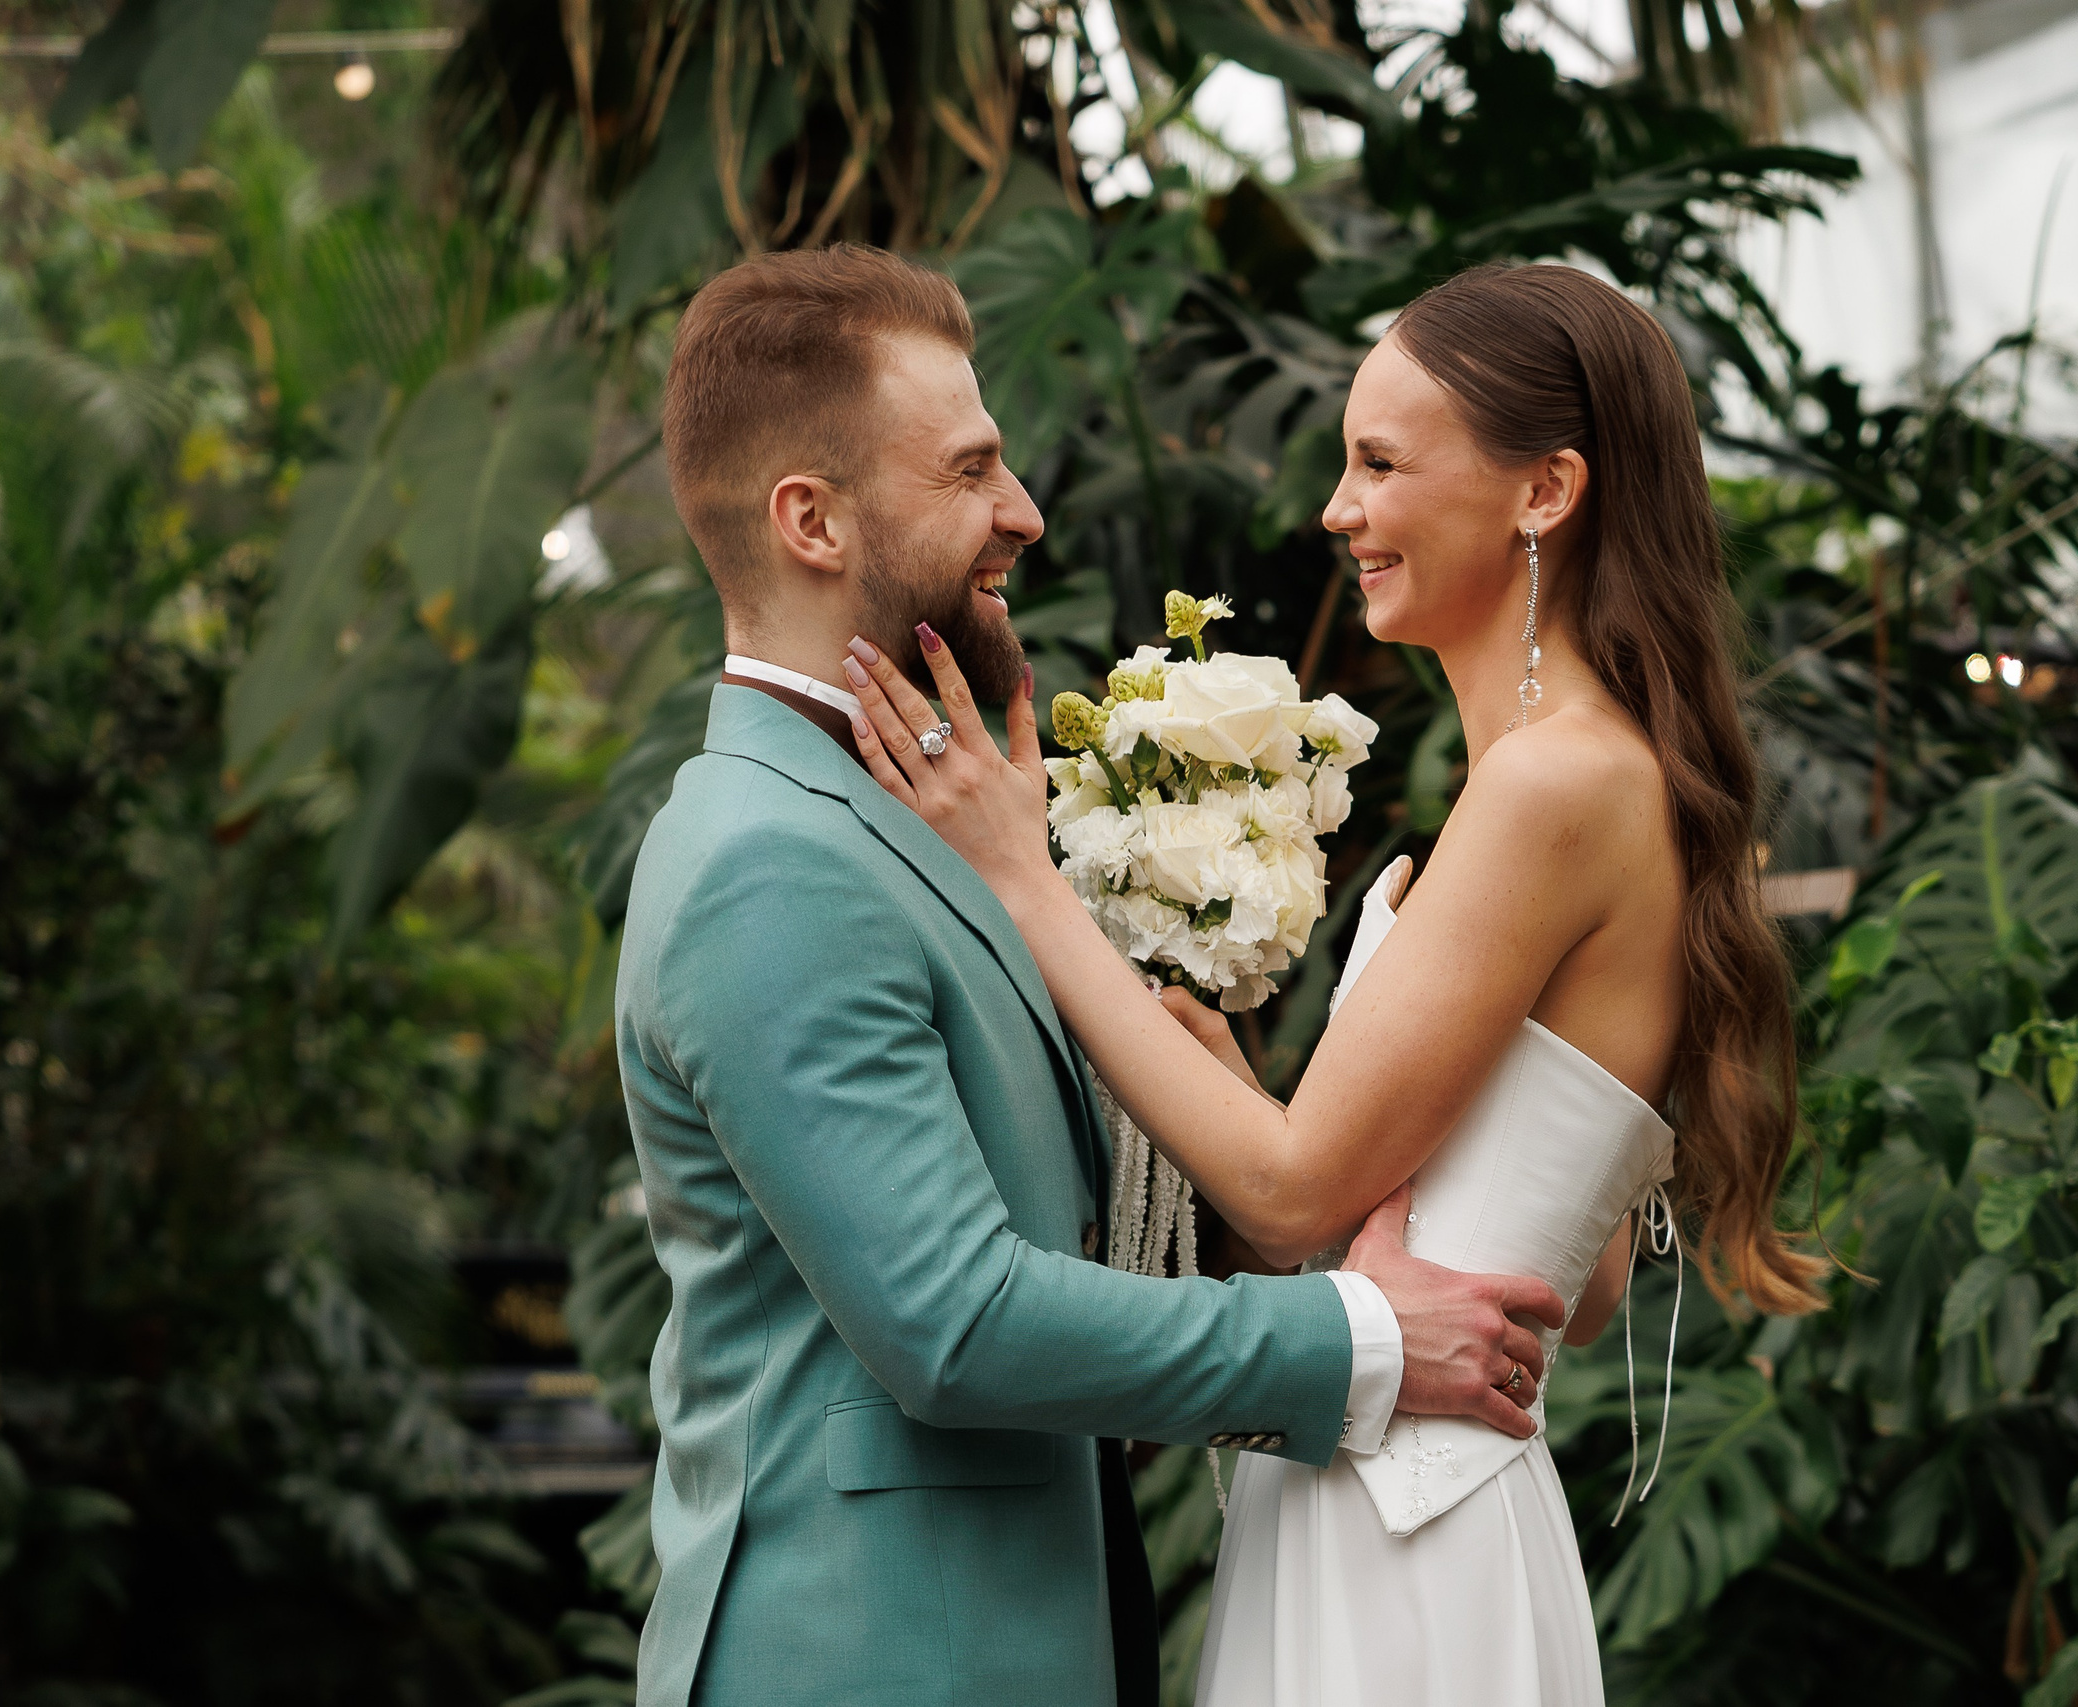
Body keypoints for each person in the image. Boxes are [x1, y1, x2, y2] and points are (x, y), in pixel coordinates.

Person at [843, 261, 1827, 1706]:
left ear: (1545, 491)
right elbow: (1579, 1286)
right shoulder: (1590, 778)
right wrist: (1239, 1087)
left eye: (1380, 463)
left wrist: (1020, 877)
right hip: (1411, 1497)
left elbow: (1296, 1196)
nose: (1337, 509)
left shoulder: (1552, 787)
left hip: (1402, 1525)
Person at [614, 243, 1570, 1707]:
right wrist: (1363, 1343)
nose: (1024, 511)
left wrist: (1254, 1198)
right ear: (812, 520)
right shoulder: (766, 862)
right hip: (875, 1663)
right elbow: (959, 1323)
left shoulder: (922, 812)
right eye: (969, 470)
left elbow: (1040, 1228)